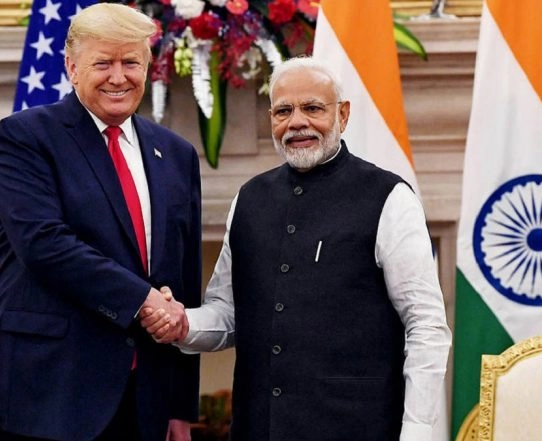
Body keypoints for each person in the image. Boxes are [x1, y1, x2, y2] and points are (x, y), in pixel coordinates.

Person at [142, 57, 452, 441]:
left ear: (343, 114)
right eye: (284, 111)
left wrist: (417, 431)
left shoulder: (389, 197)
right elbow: (228, 312)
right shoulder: (249, 199)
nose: (297, 122)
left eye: (312, 108)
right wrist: (182, 323)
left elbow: (426, 325)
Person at [0, 4, 202, 441]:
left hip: (143, 399)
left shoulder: (176, 153)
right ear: (72, 68)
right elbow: (44, 244)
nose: (119, 77)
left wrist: (179, 406)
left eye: (131, 62)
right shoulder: (27, 136)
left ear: (148, 67)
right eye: (103, 63)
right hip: (45, 394)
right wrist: (145, 300)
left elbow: (183, 280)